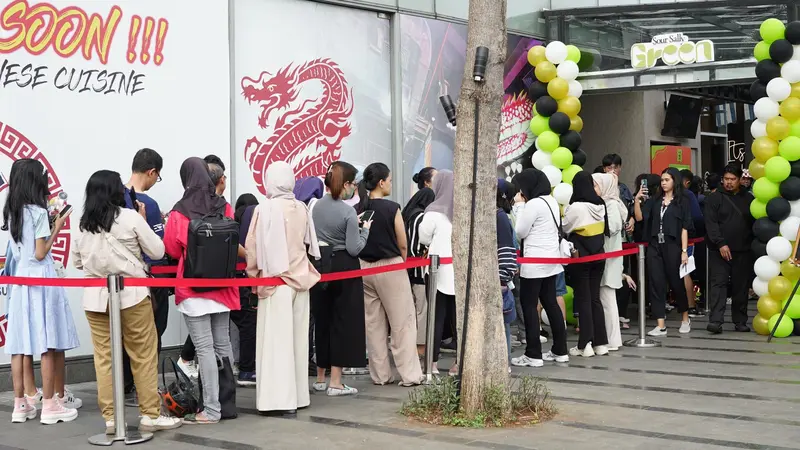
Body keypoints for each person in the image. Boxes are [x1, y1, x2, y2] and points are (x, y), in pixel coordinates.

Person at [73, 170, 182, 433]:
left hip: (96, 299)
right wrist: (143, 221)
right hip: (132, 296)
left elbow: (77, 262)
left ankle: (111, 418)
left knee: (104, 358)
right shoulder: (130, 217)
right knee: (143, 354)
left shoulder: (83, 224)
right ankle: (150, 415)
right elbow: (157, 250)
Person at [164, 157, 243, 424]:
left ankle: (211, 409)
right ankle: (226, 405)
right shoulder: (225, 205)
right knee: (223, 344)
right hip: (223, 286)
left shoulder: (180, 210)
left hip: (194, 286)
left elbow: (173, 250)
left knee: (204, 348)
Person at [3, 158, 80, 424]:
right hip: (40, 281)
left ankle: (21, 405)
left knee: (19, 345)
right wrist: (56, 227)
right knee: (47, 342)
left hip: (19, 282)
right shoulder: (37, 212)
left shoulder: (11, 211)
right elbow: (39, 252)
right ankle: (50, 406)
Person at [245, 162, 321, 414]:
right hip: (301, 282)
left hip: (275, 283)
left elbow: (253, 248)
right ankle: (299, 397)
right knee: (298, 343)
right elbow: (309, 244)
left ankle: (277, 400)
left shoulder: (264, 208)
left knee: (276, 344)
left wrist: (254, 277)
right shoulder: (301, 207)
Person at [356, 163, 424, 386]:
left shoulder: (358, 209)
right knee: (402, 322)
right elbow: (402, 244)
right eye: (390, 180)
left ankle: (380, 375)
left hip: (364, 267)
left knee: (373, 324)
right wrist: (401, 264)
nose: (391, 184)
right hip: (390, 267)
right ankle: (410, 375)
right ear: (381, 182)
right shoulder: (392, 208)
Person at [310, 161, 369, 396]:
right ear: (345, 184)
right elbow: (355, 248)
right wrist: (365, 231)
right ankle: (336, 382)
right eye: (353, 183)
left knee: (322, 319)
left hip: (320, 265)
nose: (354, 188)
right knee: (342, 322)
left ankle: (321, 378)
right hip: (345, 266)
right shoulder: (347, 212)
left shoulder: (314, 206)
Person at [121, 148, 169, 407]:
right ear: (151, 172)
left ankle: (124, 385)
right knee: (151, 335)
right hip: (149, 279)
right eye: (157, 176)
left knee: (122, 335)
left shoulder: (113, 197)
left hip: (118, 281)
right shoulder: (147, 205)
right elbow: (159, 246)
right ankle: (146, 389)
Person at [510, 168, 568, 367]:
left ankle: (533, 354)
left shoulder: (533, 204)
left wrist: (519, 207)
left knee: (529, 305)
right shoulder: (551, 200)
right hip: (551, 262)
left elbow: (520, 232)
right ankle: (560, 350)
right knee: (551, 303)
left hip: (534, 263)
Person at [634, 167, 693, 336]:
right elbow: (640, 218)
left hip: (673, 244)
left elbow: (684, 228)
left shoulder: (682, 201)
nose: (664, 183)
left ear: (675, 180)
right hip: (654, 244)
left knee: (676, 282)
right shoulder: (655, 200)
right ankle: (661, 324)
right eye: (662, 180)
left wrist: (684, 251)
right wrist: (637, 200)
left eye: (667, 180)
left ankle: (685, 317)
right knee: (656, 282)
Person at [418, 170, 460, 375]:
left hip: (437, 271)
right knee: (458, 319)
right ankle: (459, 363)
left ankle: (431, 364)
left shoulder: (433, 211)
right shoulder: (462, 210)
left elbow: (423, 238)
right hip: (458, 272)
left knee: (435, 318)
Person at [563, 171, 609, 357]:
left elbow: (566, 227)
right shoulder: (601, 205)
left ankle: (585, 344)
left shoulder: (576, 207)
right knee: (595, 298)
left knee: (583, 298)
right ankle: (601, 343)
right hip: (599, 256)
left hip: (581, 256)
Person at [704, 165, 754, 334]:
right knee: (718, 284)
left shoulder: (748, 198)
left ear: (740, 180)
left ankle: (740, 321)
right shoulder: (714, 198)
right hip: (719, 250)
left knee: (741, 286)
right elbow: (711, 223)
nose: (729, 183)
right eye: (726, 179)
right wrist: (720, 243)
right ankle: (716, 321)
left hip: (743, 249)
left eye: (733, 179)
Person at [592, 173, 630, 351]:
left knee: (607, 299)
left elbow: (613, 227)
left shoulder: (611, 204)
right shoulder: (607, 203)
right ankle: (610, 338)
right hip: (608, 256)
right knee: (606, 298)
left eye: (596, 185)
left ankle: (612, 340)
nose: (594, 189)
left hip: (610, 257)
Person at [402, 167, 437, 357]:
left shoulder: (407, 214)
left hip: (406, 270)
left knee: (410, 311)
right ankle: (420, 348)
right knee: (422, 311)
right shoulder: (421, 217)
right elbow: (420, 246)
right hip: (419, 271)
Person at [293, 176, 325, 376]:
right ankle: (308, 359)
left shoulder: (294, 206)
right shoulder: (314, 207)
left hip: (289, 270)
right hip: (310, 267)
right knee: (309, 316)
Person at [231, 193, 260, 386]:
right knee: (249, 324)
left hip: (229, 280)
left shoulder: (232, 225)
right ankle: (247, 370)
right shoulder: (253, 225)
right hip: (246, 281)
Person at [496, 179, 518, 364]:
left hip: (499, 277)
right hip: (500, 275)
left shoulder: (499, 216)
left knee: (503, 324)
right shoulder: (500, 215)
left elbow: (505, 249)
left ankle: (504, 362)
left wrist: (503, 276)